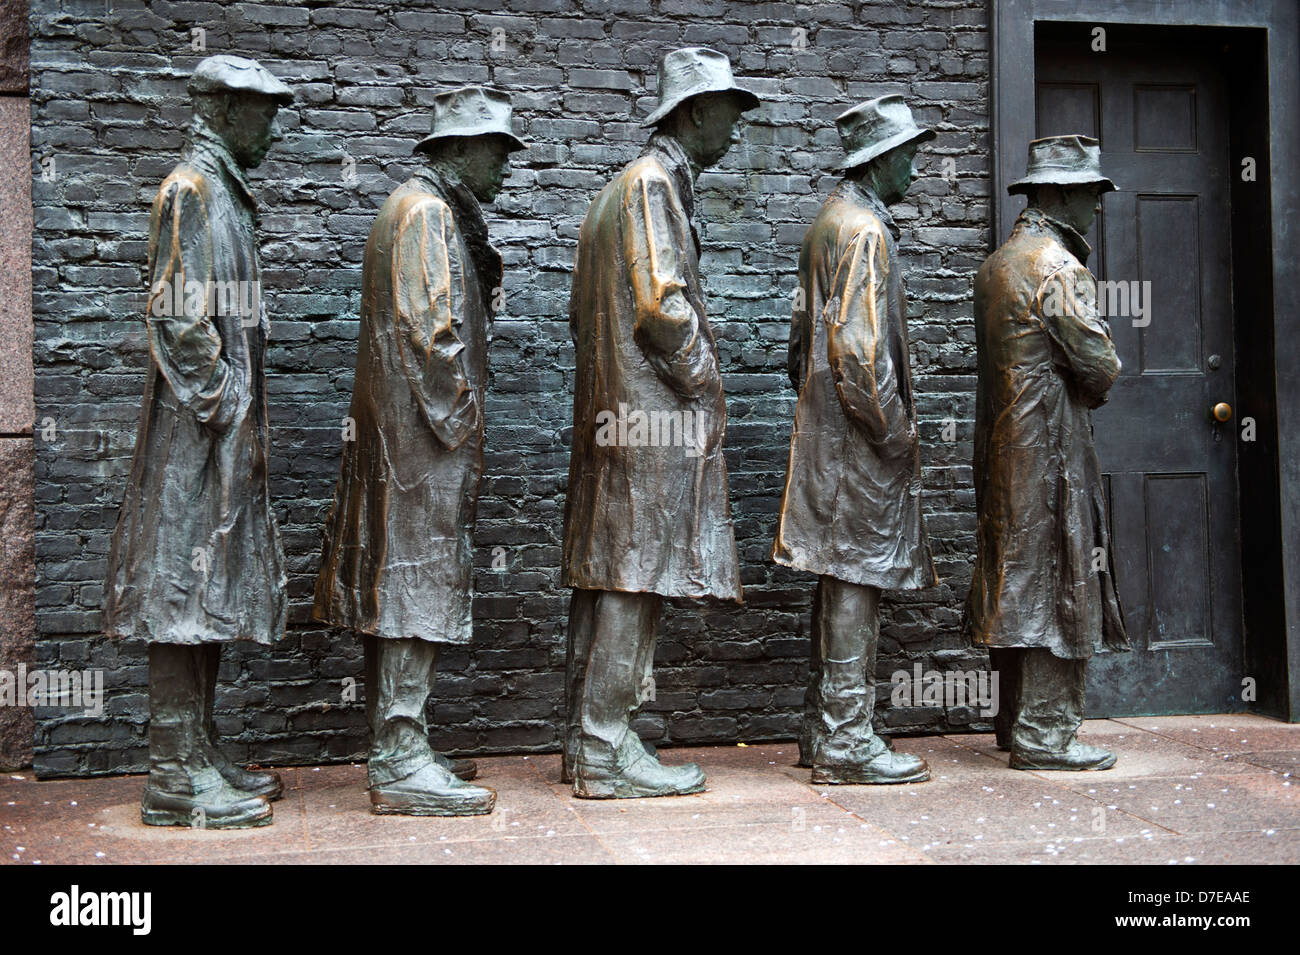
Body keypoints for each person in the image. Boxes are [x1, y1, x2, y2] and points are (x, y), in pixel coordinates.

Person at [314, 87, 525, 815]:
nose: (505, 165)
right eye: (496, 149)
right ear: (458, 151)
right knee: (413, 587)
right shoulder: (427, 214)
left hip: (404, 438)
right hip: (422, 443)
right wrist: (462, 422)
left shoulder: (413, 208)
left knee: (401, 587)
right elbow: (432, 334)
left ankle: (400, 741)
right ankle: (400, 754)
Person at [561, 48, 758, 798]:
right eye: (729, 115)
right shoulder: (650, 188)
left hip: (622, 417)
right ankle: (606, 747)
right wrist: (706, 381)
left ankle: (590, 743)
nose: (736, 133)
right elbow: (661, 307)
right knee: (631, 580)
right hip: (649, 422)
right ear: (693, 113)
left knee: (614, 575)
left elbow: (585, 316)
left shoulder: (623, 190)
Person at [104, 55, 292, 828]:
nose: (273, 128)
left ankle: (202, 749)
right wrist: (223, 404)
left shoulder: (224, 194)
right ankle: (173, 771)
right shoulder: (191, 191)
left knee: (208, 589)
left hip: (218, 436)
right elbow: (180, 321)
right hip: (193, 440)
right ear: (221, 109)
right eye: (262, 111)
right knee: (180, 592)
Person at [772, 95, 937, 785]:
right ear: (881, 159)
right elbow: (862, 354)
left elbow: (798, 343)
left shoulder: (826, 224)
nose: (917, 167)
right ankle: (846, 738)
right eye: (909, 153)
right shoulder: (864, 229)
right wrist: (896, 435)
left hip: (826, 432)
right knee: (859, 579)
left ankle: (824, 728)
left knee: (842, 577)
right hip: (858, 440)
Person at [964, 134, 1129, 771]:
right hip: (1052, 448)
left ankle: (1012, 722)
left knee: (1016, 577)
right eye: (1090, 193)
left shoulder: (998, 264)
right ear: (1059, 194)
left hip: (1004, 446)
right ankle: (1045, 733)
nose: (1097, 206)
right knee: (1060, 577)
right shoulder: (1058, 267)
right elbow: (1099, 364)